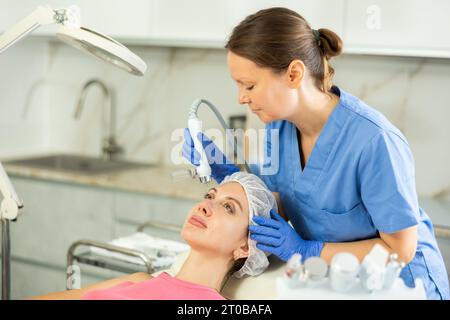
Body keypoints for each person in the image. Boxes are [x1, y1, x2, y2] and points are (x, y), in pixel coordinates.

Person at [182, 7, 449, 299]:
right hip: (336, 284)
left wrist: (305, 249)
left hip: (400, 286)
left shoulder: (373, 141)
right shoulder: (279, 127)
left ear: (294, 74)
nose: (241, 97)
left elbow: (400, 249)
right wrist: (228, 174)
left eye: (249, 85)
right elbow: (281, 202)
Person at [29, 172, 277, 300]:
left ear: (245, 247)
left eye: (228, 207)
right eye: (210, 196)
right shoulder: (140, 280)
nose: (204, 205)